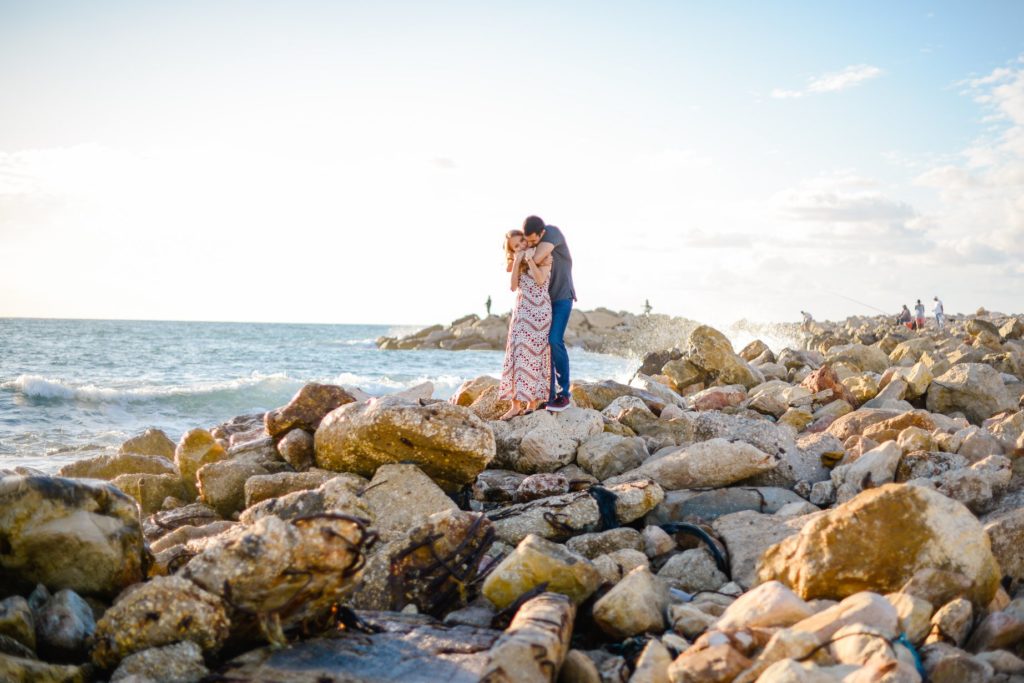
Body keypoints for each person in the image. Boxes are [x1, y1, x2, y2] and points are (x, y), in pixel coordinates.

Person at [522, 215, 576, 412]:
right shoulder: (532, 242)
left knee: (555, 340)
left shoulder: (553, 232)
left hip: (562, 298)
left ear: (541, 233)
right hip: (543, 302)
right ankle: (549, 395)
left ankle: (564, 395)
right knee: (543, 347)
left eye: (534, 240)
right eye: (527, 241)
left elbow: (535, 259)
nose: (530, 244)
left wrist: (525, 252)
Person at [497, 230, 552, 420]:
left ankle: (532, 403)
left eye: (521, 241)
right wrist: (517, 262)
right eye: (515, 246)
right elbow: (513, 287)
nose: (521, 246)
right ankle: (515, 405)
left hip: (541, 313)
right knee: (517, 353)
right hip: (522, 313)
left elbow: (540, 280)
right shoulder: (516, 263)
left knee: (537, 354)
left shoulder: (543, 254)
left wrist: (529, 259)